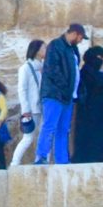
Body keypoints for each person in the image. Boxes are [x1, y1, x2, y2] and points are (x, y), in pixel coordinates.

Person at [36, 24, 85, 165]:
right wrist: (65, 87)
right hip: (54, 94)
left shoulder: (72, 49)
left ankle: (62, 160)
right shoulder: (56, 45)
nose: (81, 41)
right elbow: (52, 70)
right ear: (75, 33)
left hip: (67, 96)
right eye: (81, 37)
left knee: (63, 130)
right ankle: (41, 157)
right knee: (49, 126)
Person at [71, 45, 103, 164]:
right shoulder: (86, 72)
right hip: (89, 112)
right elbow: (96, 86)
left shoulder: (93, 72)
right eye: (99, 57)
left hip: (99, 112)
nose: (101, 60)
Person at [11, 39, 45, 165]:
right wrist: (25, 110)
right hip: (32, 109)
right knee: (28, 137)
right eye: (43, 48)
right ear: (36, 51)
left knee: (44, 136)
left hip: (43, 107)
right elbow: (22, 90)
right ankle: (15, 162)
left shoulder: (43, 67)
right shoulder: (25, 68)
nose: (45, 51)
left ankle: (41, 160)